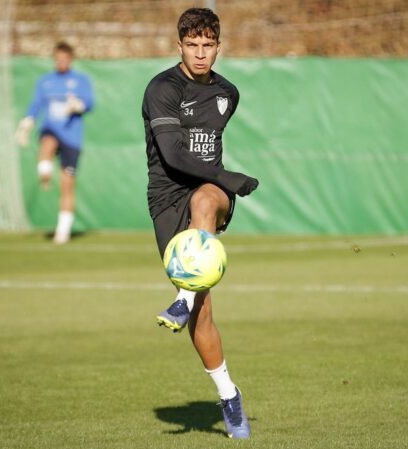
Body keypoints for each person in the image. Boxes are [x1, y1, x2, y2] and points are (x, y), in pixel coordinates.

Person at [141, 8, 259, 439]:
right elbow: (173, 157)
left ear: (218, 46)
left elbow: (206, 165)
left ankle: (179, 298)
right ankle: (229, 395)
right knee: (203, 310)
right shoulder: (162, 89)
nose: (201, 53)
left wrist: (222, 183)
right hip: (166, 200)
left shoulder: (229, 93)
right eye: (192, 45)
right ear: (179, 46)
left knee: (206, 200)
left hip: (209, 193)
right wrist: (233, 178)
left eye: (208, 45)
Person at [15, 42, 95, 244]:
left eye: (64, 59)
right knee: (47, 142)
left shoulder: (80, 81)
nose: (61, 62)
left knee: (67, 185)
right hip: (52, 129)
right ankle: (44, 172)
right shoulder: (46, 81)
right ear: (54, 59)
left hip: (72, 138)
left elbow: (89, 103)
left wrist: (78, 105)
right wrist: (27, 122)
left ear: (70, 59)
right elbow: (36, 104)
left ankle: (63, 230)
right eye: (57, 59)